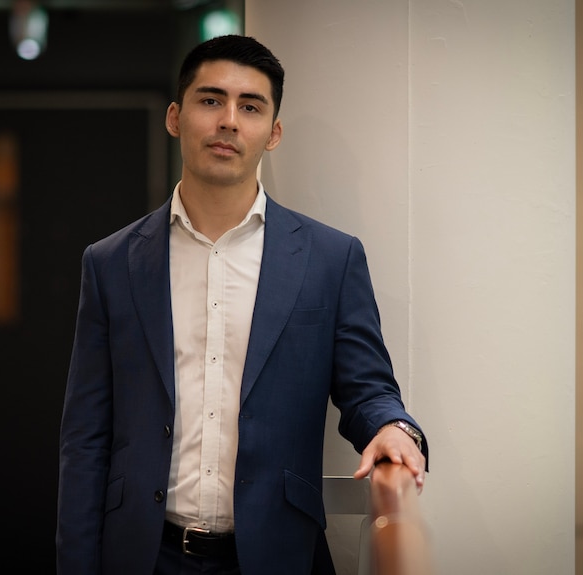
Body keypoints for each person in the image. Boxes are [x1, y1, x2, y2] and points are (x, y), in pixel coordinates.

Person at [56, 34, 428, 575]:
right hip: (145, 556)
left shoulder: (330, 258)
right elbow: (85, 437)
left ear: (273, 133)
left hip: (279, 555)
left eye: (250, 107)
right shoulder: (111, 262)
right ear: (175, 117)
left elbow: (367, 388)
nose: (229, 120)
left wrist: (393, 427)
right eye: (211, 100)